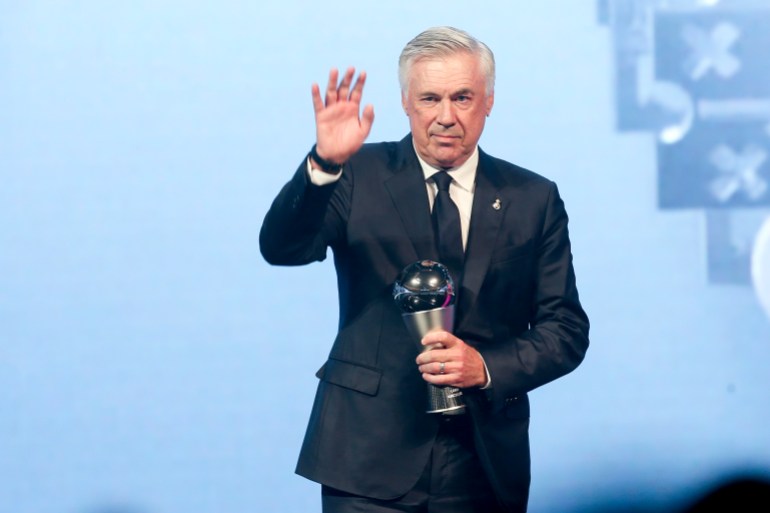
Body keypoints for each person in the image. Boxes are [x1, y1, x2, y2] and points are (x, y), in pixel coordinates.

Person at [260, 26, 590, 513]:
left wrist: (484, 367)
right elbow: (283, 247)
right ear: (406, 103)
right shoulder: (357, 173)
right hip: (366, 457)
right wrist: (323, 165)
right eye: (430, 98)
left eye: (462, 97)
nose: (446, 117)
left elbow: (565, 330)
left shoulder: (532, 198)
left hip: (482, 461)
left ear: (489, 101)